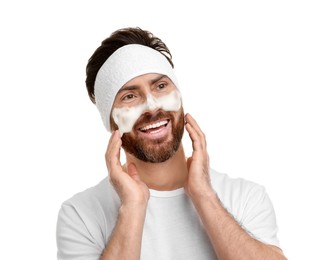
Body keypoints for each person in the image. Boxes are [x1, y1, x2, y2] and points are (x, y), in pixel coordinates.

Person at [56, 27, 286, 260]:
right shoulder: (81, 215)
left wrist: (203, 194)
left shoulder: (244, 197)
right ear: (111, 123)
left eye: (161, 86)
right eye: (129, 96)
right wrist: (133, 207)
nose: (153, 106)